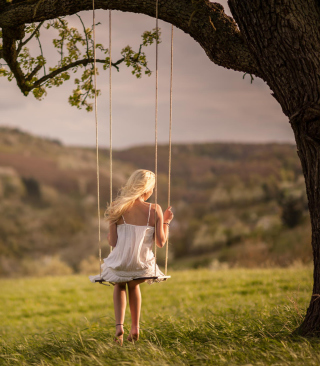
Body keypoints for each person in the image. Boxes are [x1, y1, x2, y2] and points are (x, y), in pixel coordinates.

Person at [89, 169, 174, 345]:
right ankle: (135, 327)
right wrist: (166, 221)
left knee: (120, 285)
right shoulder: (154, 209)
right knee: (134, 286)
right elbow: (160, 242)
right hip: (142, 264)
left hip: (121, 262)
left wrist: (112, 234)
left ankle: (119, 326)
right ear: (147, 189)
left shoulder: (117, 206)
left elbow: (112, 241)